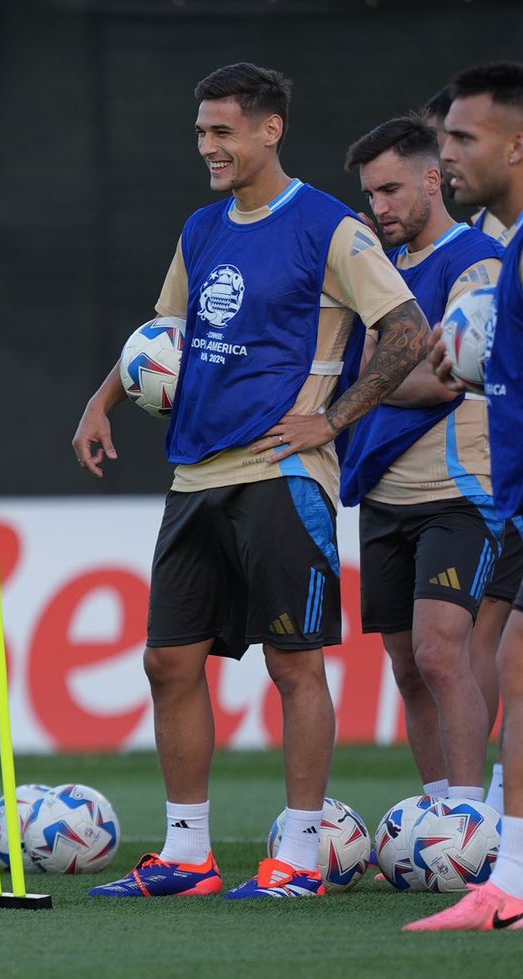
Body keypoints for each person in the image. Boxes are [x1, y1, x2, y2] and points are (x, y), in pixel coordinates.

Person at [72, 63, 428, 900]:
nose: (209, 147)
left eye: (223, 131)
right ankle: (187, 856)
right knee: (169, 661)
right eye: (202, 132)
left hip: (283, 473)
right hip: (195, 473)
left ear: (270, 130)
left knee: (293, 663)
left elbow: (407, 332)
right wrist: (100, 401)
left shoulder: (332, 229)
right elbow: (165, 332)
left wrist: (333, 420)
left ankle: (300, 860)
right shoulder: (201, 228)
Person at [341, 116, 503, 804]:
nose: (379, 208)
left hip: (456, 488)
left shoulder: (475, 262)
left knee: (444, 652)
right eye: (371, 195)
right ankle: (436, 817)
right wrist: (378, 372)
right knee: (407, 666)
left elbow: (446, 376)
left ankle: (468, 822)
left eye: (391, 190)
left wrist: (372, 377)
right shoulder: (374, 270)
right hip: (383, 492)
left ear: (433, 180)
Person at [407, 61, 523, 932]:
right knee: (514, 669)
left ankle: (509, 890)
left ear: (516, 145)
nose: (444, 154)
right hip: (518, 499)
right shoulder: (510, 250)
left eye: (461, 139)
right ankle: (510, 884)